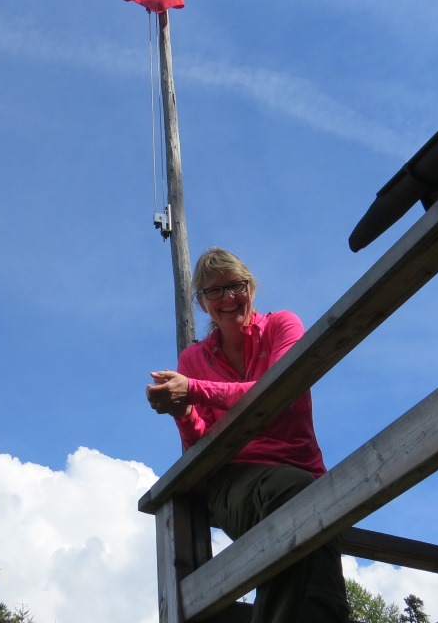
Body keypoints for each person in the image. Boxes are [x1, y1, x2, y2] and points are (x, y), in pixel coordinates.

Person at [146, 247, 348, 623]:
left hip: (304, 472)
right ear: (201, 302)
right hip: (234, 481)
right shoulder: (193, 360)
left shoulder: (281, 326)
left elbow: (282, 389)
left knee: (319, 584)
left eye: (235, 286)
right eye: (214, 291)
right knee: (296, 496)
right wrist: (183, 412)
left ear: (251, 287)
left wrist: (194, 391)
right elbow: (199, 446)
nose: (227, 298)